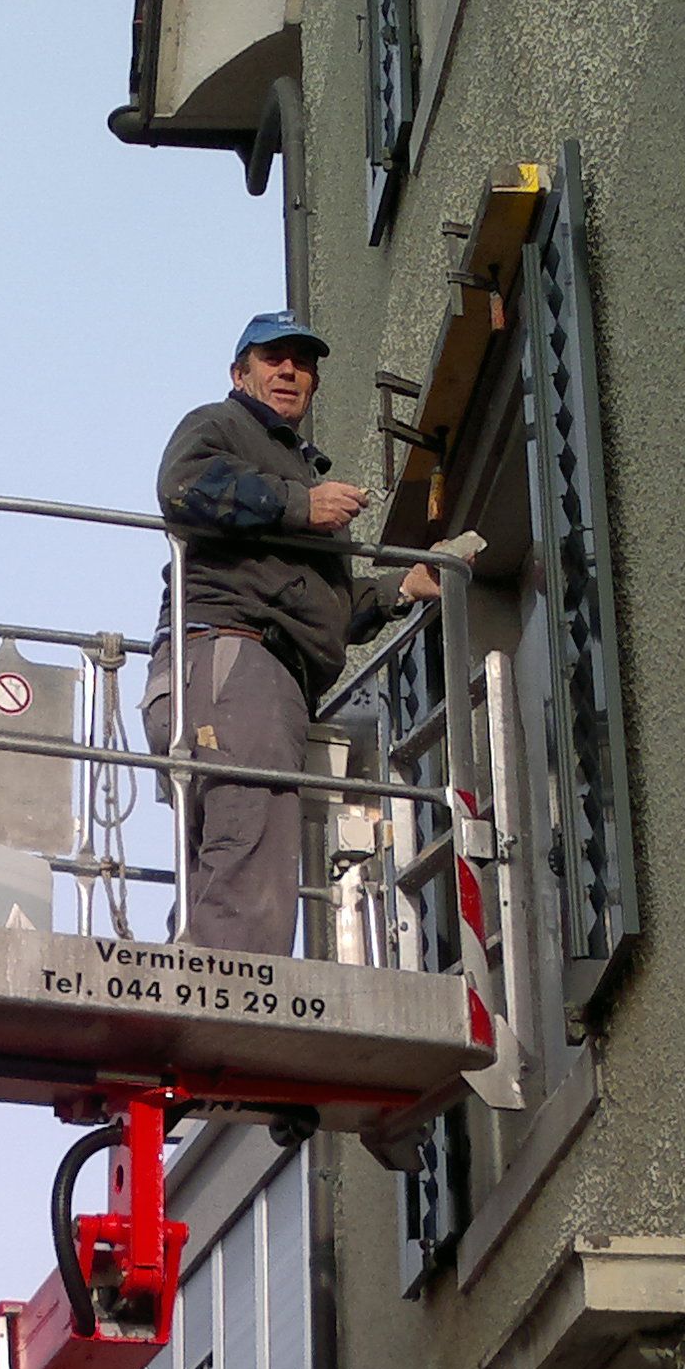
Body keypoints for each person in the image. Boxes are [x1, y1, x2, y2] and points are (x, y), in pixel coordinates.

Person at [146, 312, 439, 954]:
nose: (288, 371)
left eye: (302, 362)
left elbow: (321, 605)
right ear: (239, 372)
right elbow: (183, 485)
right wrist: (300, 504)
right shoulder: (220, 425)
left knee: (229, 851)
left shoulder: (293, 469)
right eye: (272, 357)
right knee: (248, 847)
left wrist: (402, 589)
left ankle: (199, 987)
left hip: (234, 669)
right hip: (231, 660)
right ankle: (228, 1003)